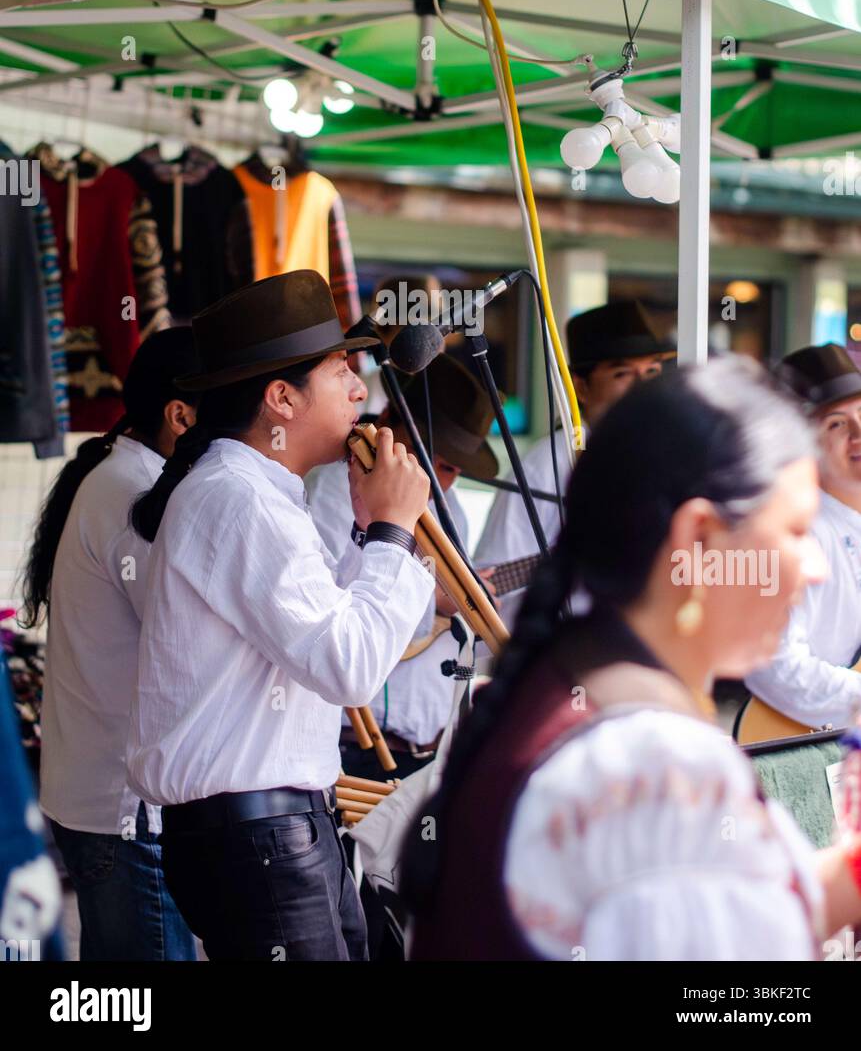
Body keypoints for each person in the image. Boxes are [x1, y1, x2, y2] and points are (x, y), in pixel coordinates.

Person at [402, 355, 861, 961]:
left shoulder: (572, 681)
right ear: (698, 540)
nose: (818, 568)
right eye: (796, 532)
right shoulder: (658, 766)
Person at [126, 270, 434, 962]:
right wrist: (392, 529)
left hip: (274, 827)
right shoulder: (241, 499)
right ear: (281, 398)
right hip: (257, 835)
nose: (362, 390)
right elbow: (348, 668)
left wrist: (366, 531)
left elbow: (330, 638)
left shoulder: (258, 492)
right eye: (341, 370)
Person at [21, 327, 200, 962]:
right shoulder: (136, 495)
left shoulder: (121, 473)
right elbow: (193, 638)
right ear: (181, 417)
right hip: (122, 815)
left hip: (98, 803)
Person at [310, 352, 498, 780]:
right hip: (357, 741)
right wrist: (437, 600)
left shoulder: (453, 514)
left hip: (428, 743)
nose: (445, 481)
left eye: (456, 470)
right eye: (442, 463)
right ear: (394, 422)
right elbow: (330, 608)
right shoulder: (335, 486)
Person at [476, 299, 673, 566]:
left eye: (651, 371)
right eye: (623, 374)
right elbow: (491, 578)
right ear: (580, 387)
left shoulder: (671, 456)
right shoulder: (546, 465)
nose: (642, 387)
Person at [745, 343, 861, 728]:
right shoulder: (798, 531)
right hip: (805, 744)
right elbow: (772, 661)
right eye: (837, 423)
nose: (858, 432)